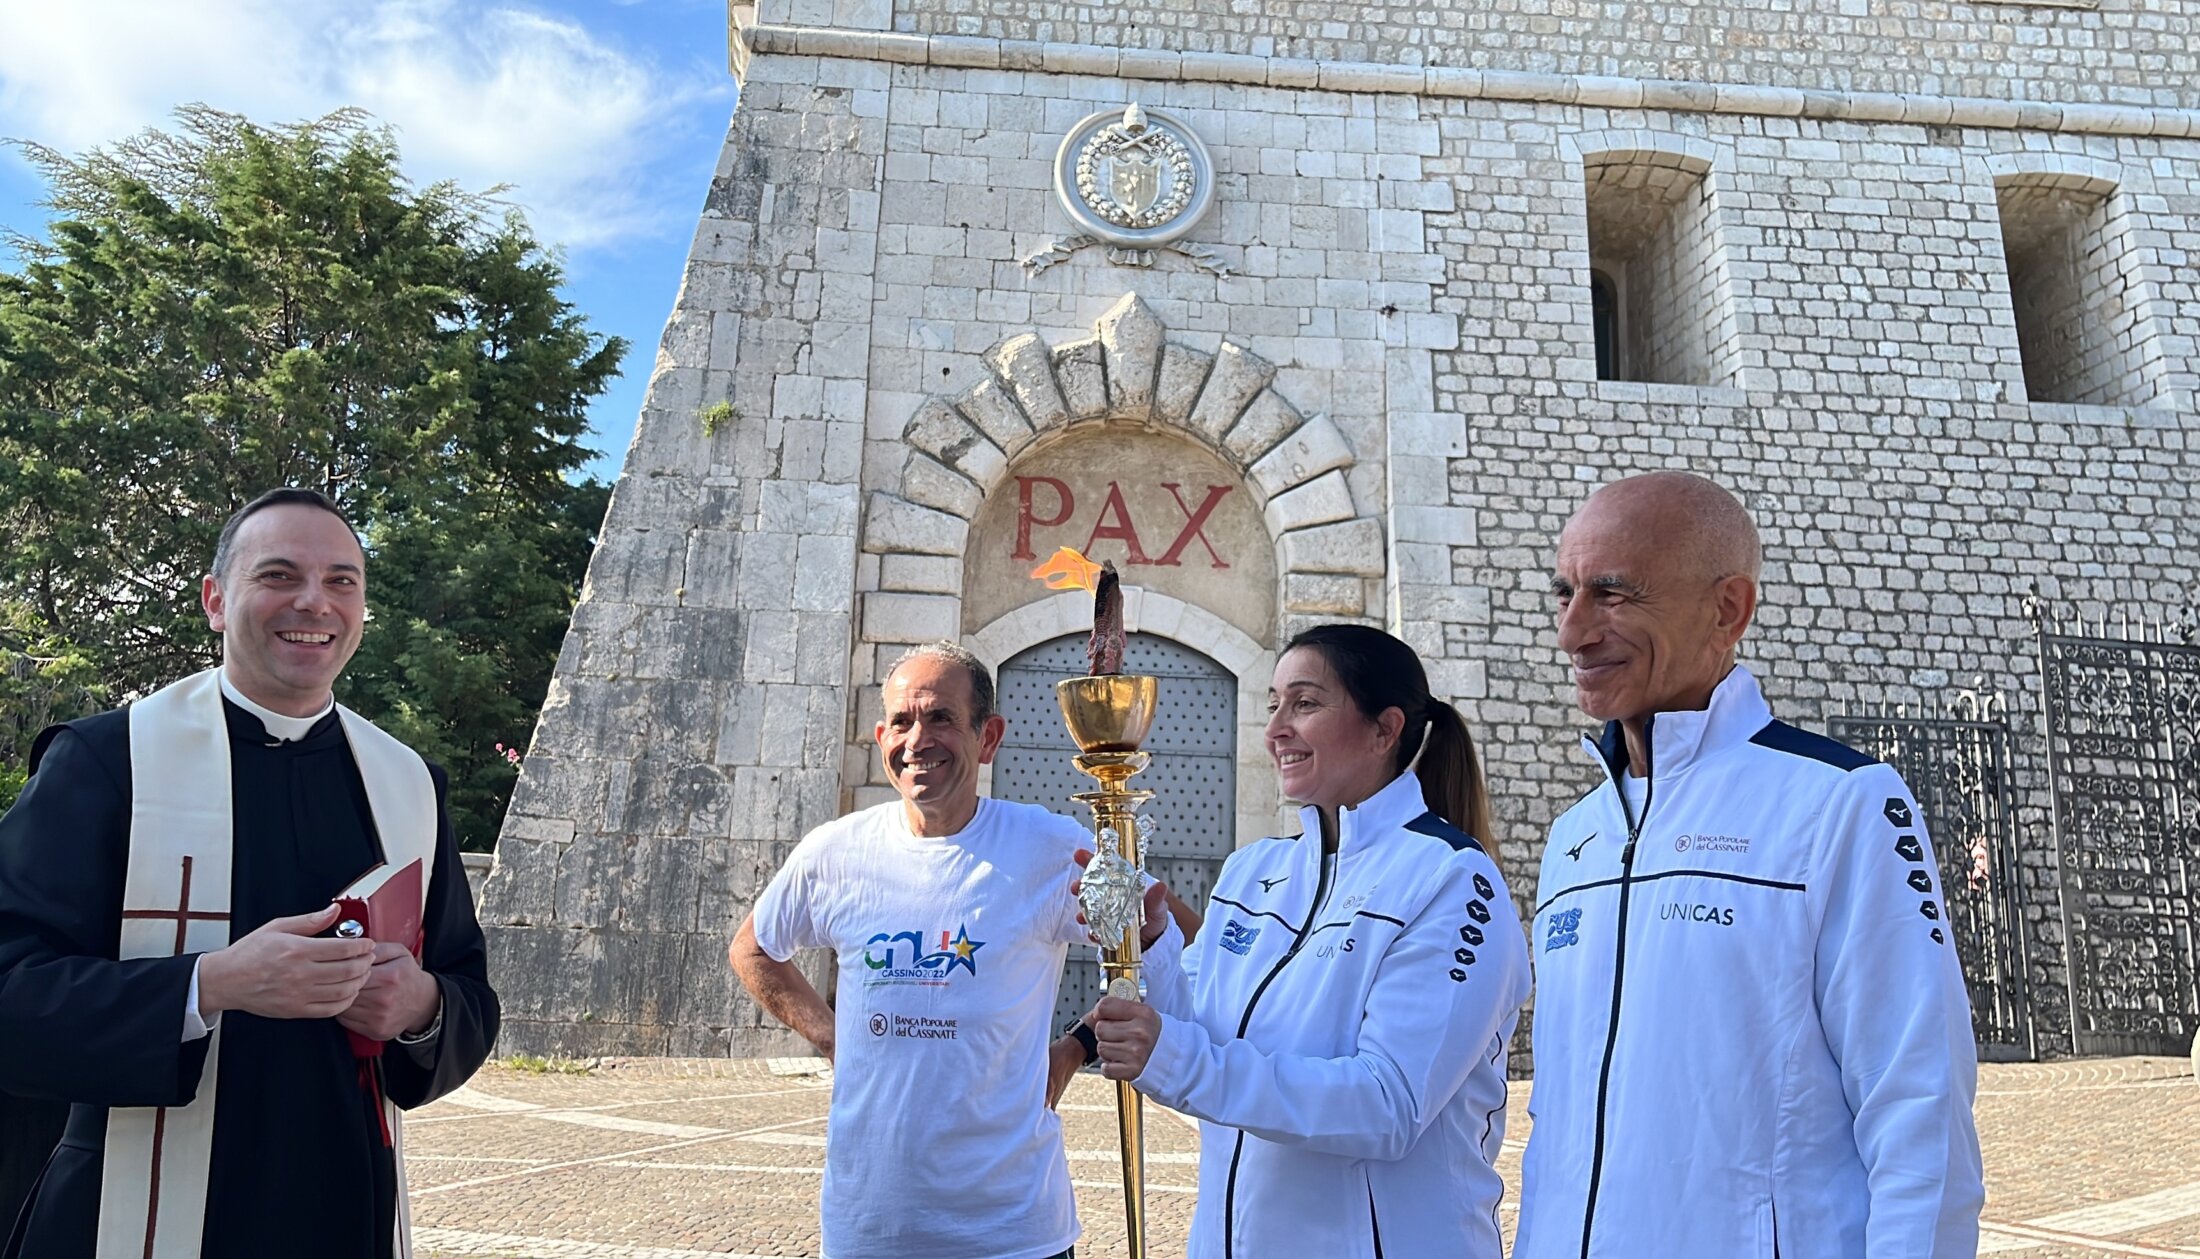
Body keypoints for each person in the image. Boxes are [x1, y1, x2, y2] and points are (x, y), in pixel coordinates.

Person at [0, 488, 499, 1258]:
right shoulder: (107, 763)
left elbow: (468, 996)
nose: (315, 602)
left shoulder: (408, 783)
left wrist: (421, 1005)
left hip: (344, 1207)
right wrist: (210, 987)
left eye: (342, 580)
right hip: (132, 1213)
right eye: (278, 574)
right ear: (215, 598)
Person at [1516, 471, 1983, 1258]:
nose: (1572, 630)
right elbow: (1562, 1115)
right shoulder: (1575, 837)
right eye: (1564, 593)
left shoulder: (1842, 803)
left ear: (1728, 608)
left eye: (1613, 593)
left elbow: (1920, 1110)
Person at [1087, 624, 1530, 1259]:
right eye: (1274, 704)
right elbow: (1210, 1049)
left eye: (1306, 702)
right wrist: (1153, 948)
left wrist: (1178, 1058)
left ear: (1385, 729)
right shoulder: (1254, 871)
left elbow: (1386, 1104)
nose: (1275, 730)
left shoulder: (1451, 879)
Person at [729, 641, 1118, 1259]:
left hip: (1013, 1234)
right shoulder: (836, 851)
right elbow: (753, 949)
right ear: (882, 735)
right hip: (872, 1229)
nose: (917, 740)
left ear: (988, 738)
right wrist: (834, 1038)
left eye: (941, 718)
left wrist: (1077, 1047)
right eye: (902, 722)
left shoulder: (1047, 848)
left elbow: (1163, 935)